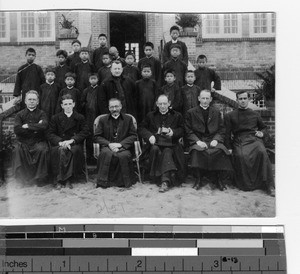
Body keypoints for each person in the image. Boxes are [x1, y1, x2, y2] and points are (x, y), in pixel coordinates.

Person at [225, 91, 275, 196]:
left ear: (248, 99)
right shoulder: (230, 115)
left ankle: (268, 185)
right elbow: (227, 133)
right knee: (241, 155)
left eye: (244, 98)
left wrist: (262, 133)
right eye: (240, 99)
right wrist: (229, 147)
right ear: (237, 100)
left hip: (254, 139)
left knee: (262, 152)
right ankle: (246, 185)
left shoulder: (255, 114)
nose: (243, 101)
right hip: (239, 140)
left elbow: (263, 127)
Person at [185, 89, 233, 190]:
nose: (205, 100)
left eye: (207, 98)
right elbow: (188, 130)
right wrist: (197, 141)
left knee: (220, 150)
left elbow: (221, 129)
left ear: (211, 99)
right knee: (197, 151)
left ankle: (219, 179)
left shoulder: (216, 112)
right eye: (203, 98)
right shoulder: (191, 112)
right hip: (198, 139)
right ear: (199, 99)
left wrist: (216, 139)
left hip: (213, 139)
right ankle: (198, 179)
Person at [138, 94, 185, 193]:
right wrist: (149, 136)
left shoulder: (177, 115)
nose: (163, 106)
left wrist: (173, 132)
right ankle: (161, 179)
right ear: (157, 104)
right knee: (155, 149)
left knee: (167, 151)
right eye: (160, 104)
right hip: (155, 144)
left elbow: (182, 129)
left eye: (165, 103)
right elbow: (141, 128)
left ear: (169, 103)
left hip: (172, 145)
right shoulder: (150, 115)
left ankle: (164, 181)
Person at [48, 94, 90, 189]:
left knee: (71, 151)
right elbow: (50, 133)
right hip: (60, 143)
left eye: (70, 104)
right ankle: (61, 179)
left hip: (74, 144)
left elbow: (85, 132)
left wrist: (72, 140)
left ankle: (67, 179)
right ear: (62, 106)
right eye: (65, 104)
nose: (68, 106)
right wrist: (60, 142)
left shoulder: (80, 117)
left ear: (74, 104)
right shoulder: (55, 118)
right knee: (60, 150)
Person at [94, 98, 137, 188]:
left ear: (121, 107)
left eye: (116, 106)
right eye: (112, 107)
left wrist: (121, 144)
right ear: (109, 108)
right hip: (107, 146)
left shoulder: (128, 119)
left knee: (123, 155)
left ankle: (122, 182)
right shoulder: (102, 120)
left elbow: (133, 135)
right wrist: (109, 144)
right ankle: (104, 182)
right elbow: (97, 136)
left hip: (123, 147)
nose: (114, 109)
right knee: (106, 154)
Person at [12, 90, 49, 185]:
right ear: (25, 101)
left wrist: (28, 126)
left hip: (38, 141)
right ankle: (23, 179)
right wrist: (36, 128)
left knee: (43, 150)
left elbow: (44, 126)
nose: (32, 101)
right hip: (23, 142)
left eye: (34, 99)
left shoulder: (42, 114)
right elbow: (17, 130)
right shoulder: (19, 115)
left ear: (38, 101)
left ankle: (40, 178)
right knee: (17, 150)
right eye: (29, 99)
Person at [80, 73, 101, 164]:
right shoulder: (86, 90)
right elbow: (82, 102)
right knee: (89, 136)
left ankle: (98, 157)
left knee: (98, 135)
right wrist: (87, 106)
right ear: (89, 80)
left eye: (94, 79)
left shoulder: (100, 89)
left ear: (97, 80)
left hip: (98, 115)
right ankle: (89, 157)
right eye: (91, 79)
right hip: (88, 117)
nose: (93, 80)